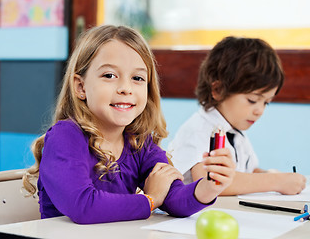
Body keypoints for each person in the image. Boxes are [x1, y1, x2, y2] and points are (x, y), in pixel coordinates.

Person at [22, 25, 235, 224]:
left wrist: (209, 186)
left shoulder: (140, 143)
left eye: (137, 78)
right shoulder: (65, 137)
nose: (126, 88)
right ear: (80, 87)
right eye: (109, 75)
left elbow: (173, 198)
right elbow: (83, 205)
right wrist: (150, 200)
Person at [168, 36, 307, 196]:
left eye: (266, 103)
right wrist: (277, 182)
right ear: (218, 90)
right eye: (252, 100)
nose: (260, 111)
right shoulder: (199, 130)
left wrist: (273, 176)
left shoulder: (235, 133)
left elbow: (248, 171)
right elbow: (211, 181)